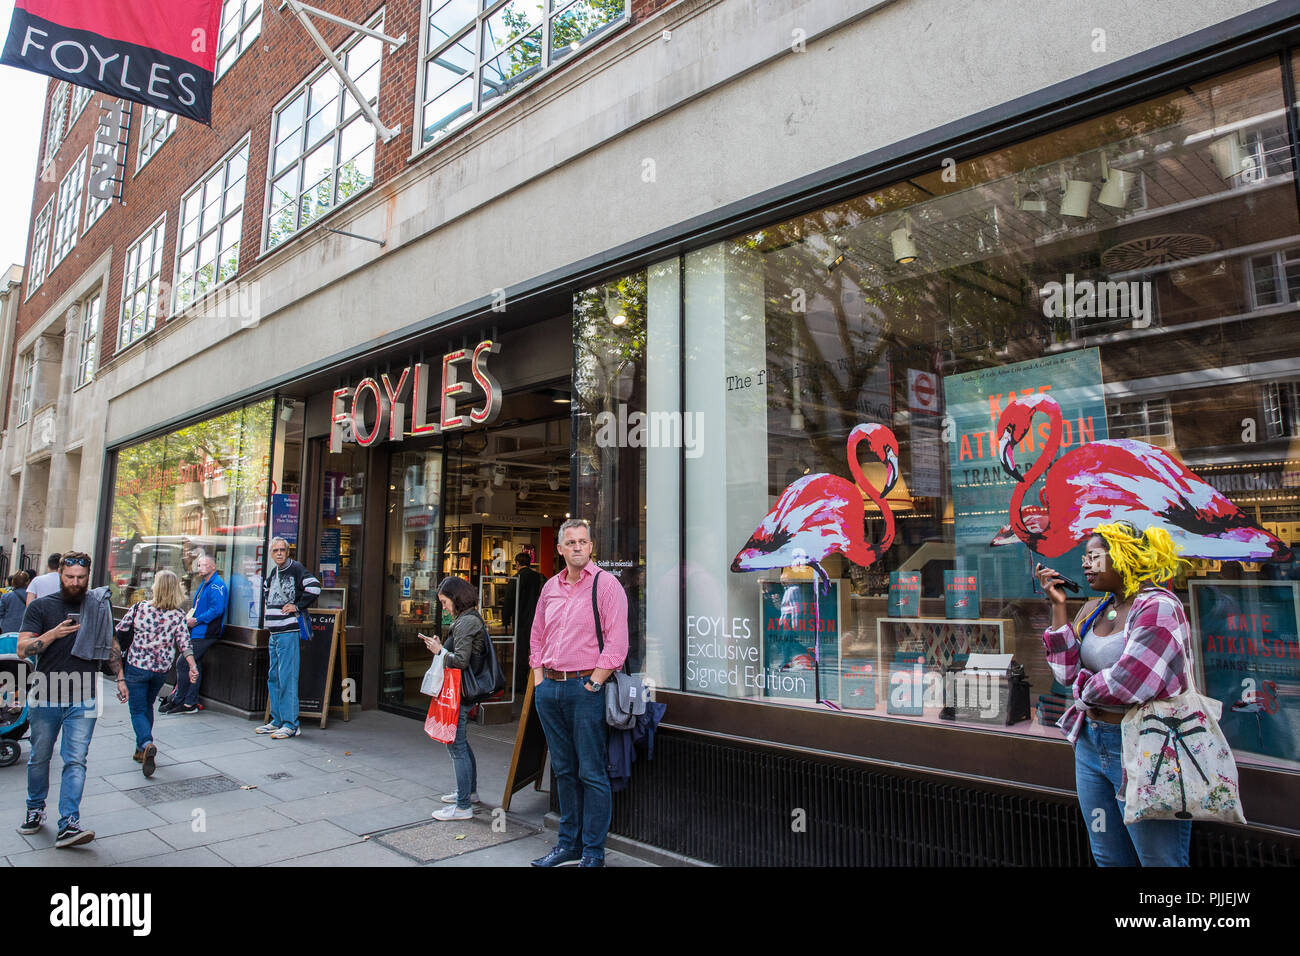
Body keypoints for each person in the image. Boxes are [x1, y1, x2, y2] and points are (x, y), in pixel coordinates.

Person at [1035, 520, 1193, 867]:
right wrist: (1059, 607)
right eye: (1084, 557)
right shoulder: (1096, 608)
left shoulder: (1158, 608)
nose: (1084, 564)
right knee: (1108, 856)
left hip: (1145, 748)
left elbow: (1126, 684)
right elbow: (1066, 674)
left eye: (1094, 556)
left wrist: (1082, 691)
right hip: (1091, 745)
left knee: (1159, 859)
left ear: (1122, 556)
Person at [529, 518, 628, 867]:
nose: (577, 547)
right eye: (570, 543)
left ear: (591, 546)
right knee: (564, 771)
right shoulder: (550, 588)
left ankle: (592, 853)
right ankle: (567, 846)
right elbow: (537, 635)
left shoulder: (606, 585)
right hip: (549, 689)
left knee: (591, 772)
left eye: (583, 542)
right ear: (560, 549)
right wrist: (539, 679)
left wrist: (594, 684)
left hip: (585, 687)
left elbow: (617, 644)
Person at [16, 552, 124, 848]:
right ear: (60, 575)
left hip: (84, 695)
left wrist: (121, 677)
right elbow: (23, 648)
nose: (75, 583)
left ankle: (69, 823)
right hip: (46, 694)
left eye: (81, 578)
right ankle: (35, 808)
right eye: (69, 577)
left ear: (88, 577)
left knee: (76, 759)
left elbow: (110, 643)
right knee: (40, 757)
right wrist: (53, 633)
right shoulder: (41, 607)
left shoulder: (97, 605)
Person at [116, 570, 197, 777]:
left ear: (156, 587)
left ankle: (146, 743)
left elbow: (120, 630)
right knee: (148, 706)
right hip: (160, 670)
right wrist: (192, 665)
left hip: (136, 666)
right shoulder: (178, 615)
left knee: (137, 710)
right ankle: (140, 750)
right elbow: (184, 644)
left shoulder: (140, 608)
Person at [421, 576, 488, 821]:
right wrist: (442, 648)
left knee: (456, 745)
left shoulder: (466, 621)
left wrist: (440, 651)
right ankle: (468, 794)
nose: (444, 606)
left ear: (455, 598)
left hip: (460, 691)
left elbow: (460, 660)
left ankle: (463, 806)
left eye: (444, 601)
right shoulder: (469, 618)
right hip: (463, 690)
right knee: (460, 743)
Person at [257, 538, 320, 739]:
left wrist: (298, 605)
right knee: (274, 676)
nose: (279, 553)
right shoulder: (274, 572)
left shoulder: (296, 568)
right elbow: (267, 590)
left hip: (287, 631)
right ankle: (277, 720)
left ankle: (291, 723)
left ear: (288, 551)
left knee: (287, 677)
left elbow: (315, 587)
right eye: (275, 550)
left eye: (282, 550)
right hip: (274, 633)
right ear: (271, 553)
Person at [162, 553, 227, 714]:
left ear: (212, 566)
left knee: (183, 662)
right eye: (198, 565)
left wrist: (196, 620)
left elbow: (217, 610)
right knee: (194, 664)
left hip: (206, 632)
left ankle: (180, 699)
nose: (199, 567)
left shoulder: (217, 585)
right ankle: (189, 703)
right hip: (196, 631)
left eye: (203, 564)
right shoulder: (204, 584)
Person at [501, 552, 543, 698]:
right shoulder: (540, 577)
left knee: (520, 652)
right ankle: (537, 681)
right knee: (536, 651)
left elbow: (509, 600)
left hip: (521, 620)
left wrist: (505, 619)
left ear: (517, 564)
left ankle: (520, 683)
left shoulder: (516, 578)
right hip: (538, 620)